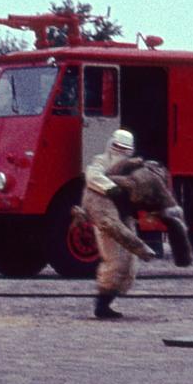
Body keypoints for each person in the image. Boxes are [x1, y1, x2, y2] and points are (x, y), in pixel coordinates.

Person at [81, 128, 157, 319]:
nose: (120, 152)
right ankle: (102, 304)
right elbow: (93, 176)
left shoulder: (133, 168)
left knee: (130, 263)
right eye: (117, 147)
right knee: (114, 260)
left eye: (124, 149)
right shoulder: (101, 161)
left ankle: (109, 300)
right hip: (107, 217)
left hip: (125, 217)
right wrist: (111, 188)